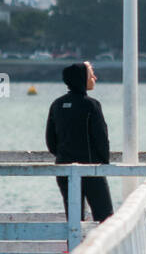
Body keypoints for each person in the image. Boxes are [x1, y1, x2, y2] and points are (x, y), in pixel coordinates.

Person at [45, 61, 114, 223]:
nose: (94, 78)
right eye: (91, 75)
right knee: (105, 218)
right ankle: (103, 249)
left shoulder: (57, 104)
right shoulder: (91, 105)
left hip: (64, 168)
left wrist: (64, 155)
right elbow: (101, 139)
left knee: (74, 219)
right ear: (82, 78)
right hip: (91, 169)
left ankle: (75, 248)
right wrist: (103, 163)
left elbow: (50, 141)